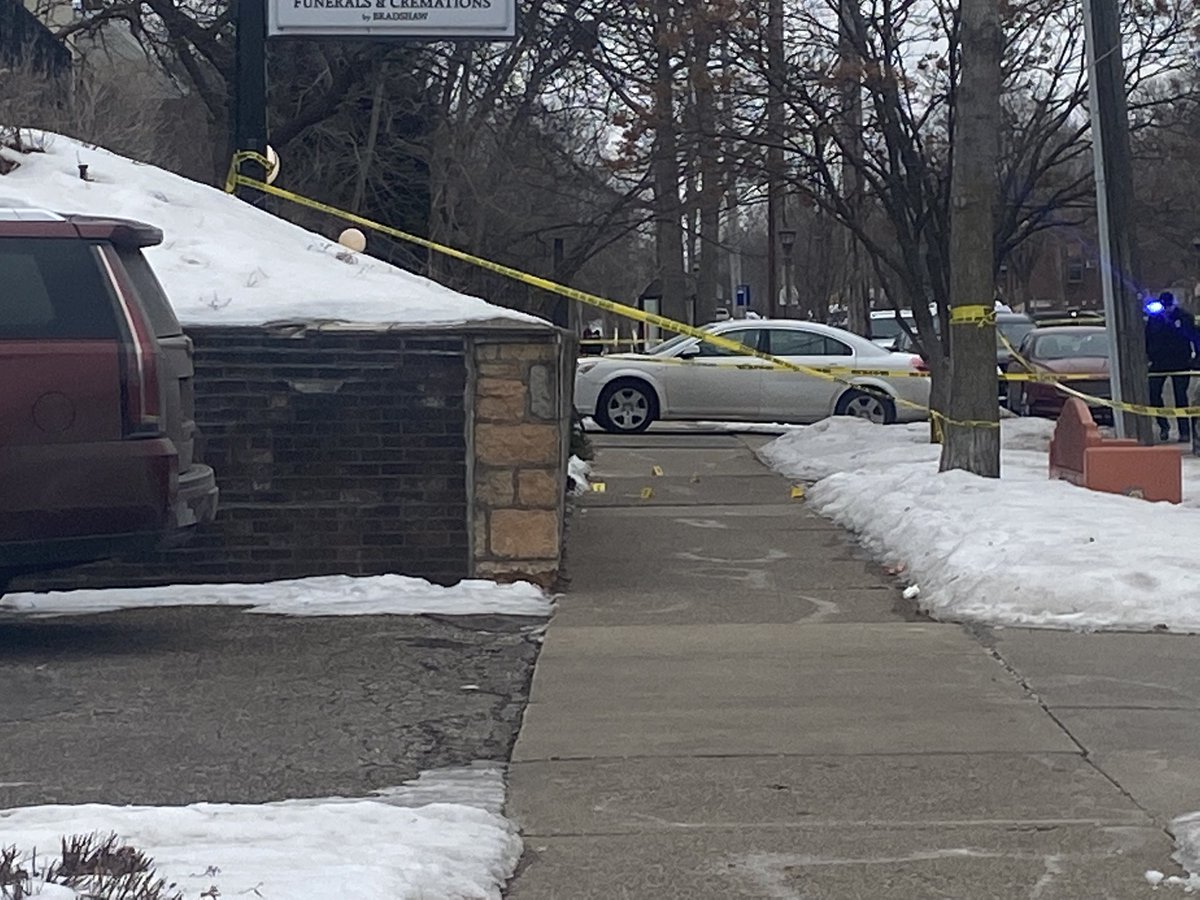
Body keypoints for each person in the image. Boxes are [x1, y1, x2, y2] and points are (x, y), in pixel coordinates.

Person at [1145, 291, 1197, 442]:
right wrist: (1148, 356)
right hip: (1159, 363)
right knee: (1153, 394)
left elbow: (1193, 337)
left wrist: (1195, 359)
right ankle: (1163, 426)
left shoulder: (1184, 317)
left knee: (1181, 397)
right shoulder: (1155, 318)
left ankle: (1184, 432)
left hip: (1180, 362)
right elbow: (1147, 337)